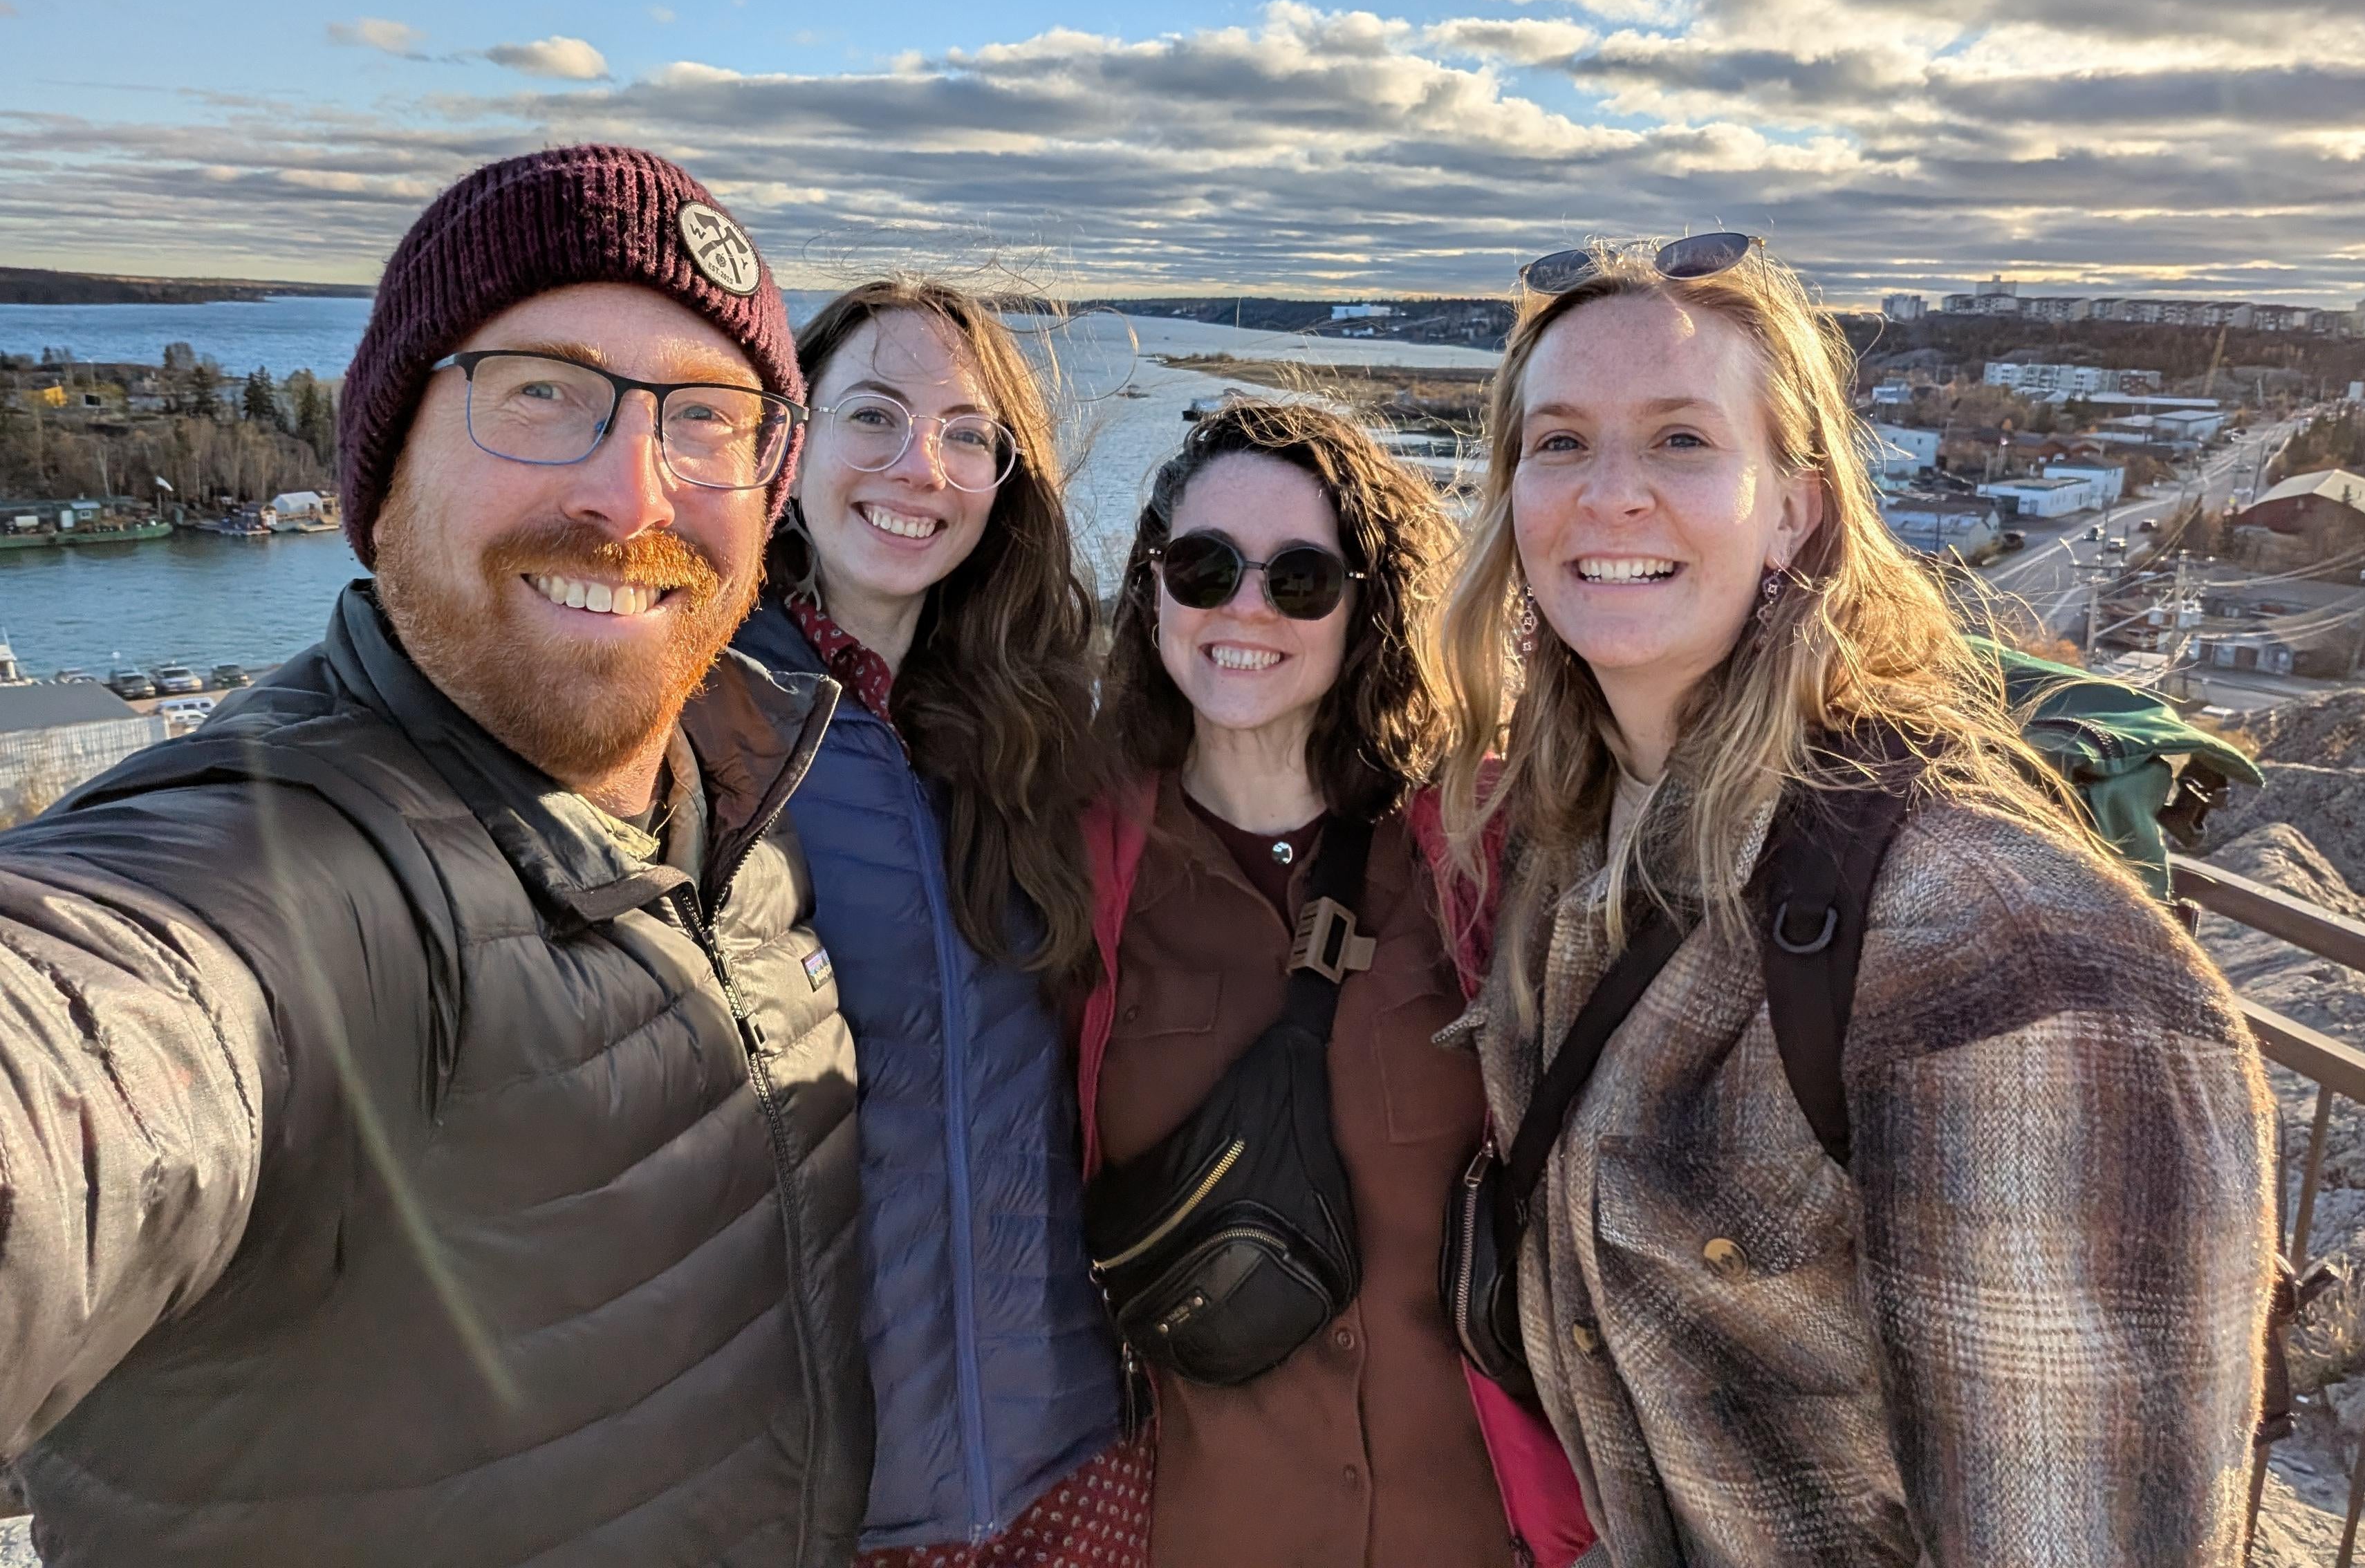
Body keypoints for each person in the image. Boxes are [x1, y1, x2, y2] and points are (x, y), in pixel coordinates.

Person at [0, 146, 872, 1566]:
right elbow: (92, 1044)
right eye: (544, 396)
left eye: (707, 420)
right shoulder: (291, 873)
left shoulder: (743, 821)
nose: (631, 497)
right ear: (387, 457)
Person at [1436, 236, 2278, 1567]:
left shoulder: (2000, 953)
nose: (1609, 497)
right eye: (1558, 444)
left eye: (1679, 442)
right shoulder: (1572, 842)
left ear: (1797, 510)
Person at [732, 280, 1147, 1567]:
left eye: (971, 435)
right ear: (784, 440)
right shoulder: (688, 723)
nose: (925, 467)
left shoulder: (1042, 730)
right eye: (875, 415)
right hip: (817, 1493)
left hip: (1073, 1455)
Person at [1077, 401, 1519, 1568]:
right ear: (1154, 586)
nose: (1245, 610)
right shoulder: (1075, 869)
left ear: (1366, 606)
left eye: (1303, 579)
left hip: (1478, 1529)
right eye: (1205, 565)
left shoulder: (1479, 849)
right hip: (1211, 1531)